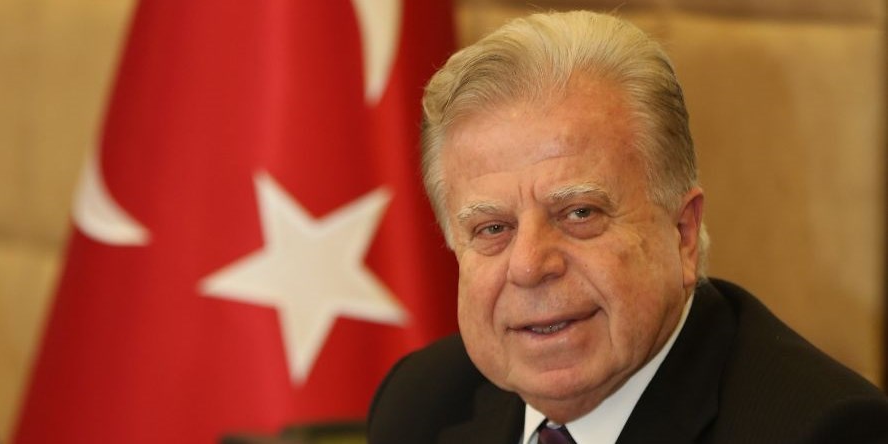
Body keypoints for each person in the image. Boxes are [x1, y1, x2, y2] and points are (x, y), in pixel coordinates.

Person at [367, 10, 888, 444]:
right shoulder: (420, 405)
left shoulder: (825, 431)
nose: (528, 266)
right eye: (492, 228)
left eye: (579, 214)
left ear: (683, 233)